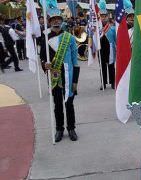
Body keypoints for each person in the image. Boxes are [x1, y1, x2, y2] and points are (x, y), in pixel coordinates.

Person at [40, 6, 80, 142]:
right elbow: (42, 57)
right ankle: (59, 129)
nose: (56, 22)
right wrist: (44, 64)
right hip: (54, 76)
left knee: (69, 103)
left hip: (68, 76)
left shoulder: (69, 38)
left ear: (61, 21)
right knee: (57, 104)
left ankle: (71, 128)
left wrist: (75, 81)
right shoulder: (45, 37)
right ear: (49, 21)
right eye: (53, 19)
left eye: (58, 19)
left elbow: (75, 62)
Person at [98, 0, 114, 90]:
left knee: (111, 66)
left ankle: (112, 82)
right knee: (102, 67)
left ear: (107, 17)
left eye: (104, 16)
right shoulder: (97, 29)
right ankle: (103, 83)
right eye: (101, 16)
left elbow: (115, 40)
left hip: (110, 48)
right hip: (101, 49)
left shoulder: (112, 28)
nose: (103, 18)